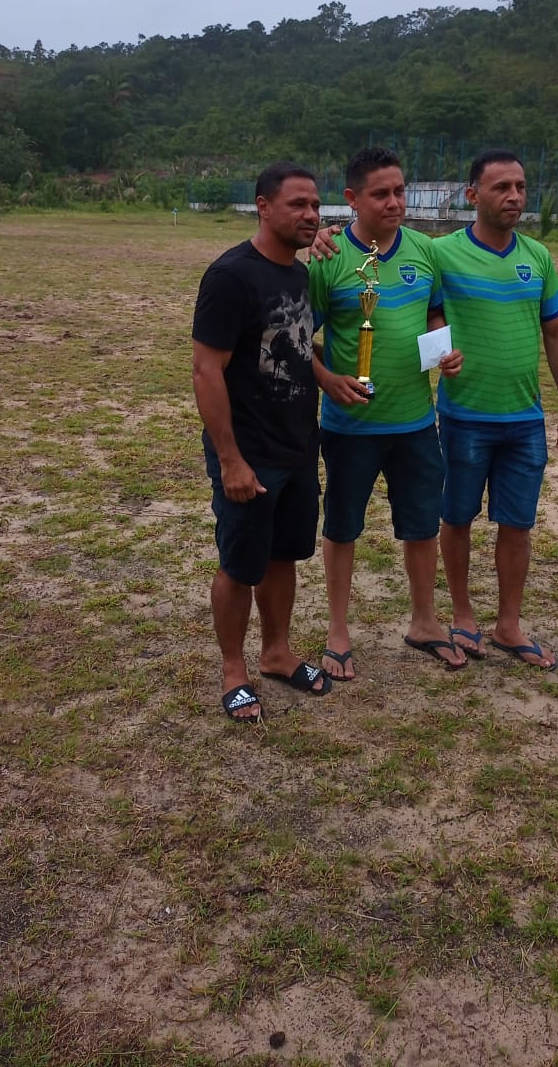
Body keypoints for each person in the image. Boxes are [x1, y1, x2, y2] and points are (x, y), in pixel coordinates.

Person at [308, 147, 465, 680]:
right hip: (350, 426)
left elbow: (436, 311)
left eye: (400, 191)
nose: (395, 202)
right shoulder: (327, 260)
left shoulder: (425, 251)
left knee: (421, 526)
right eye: (381, 194)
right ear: (352, 199)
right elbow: (298, 337)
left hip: (418, 422)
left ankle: (424, 622)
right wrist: (328, 379)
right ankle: (337, 630)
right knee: (343, 527)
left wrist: (446, 352)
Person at [192, 161, 331, 722]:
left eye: (316, 205)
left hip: (298, 445)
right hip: (248, 453)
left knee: (283, 555)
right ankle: (234, 669)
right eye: (298, 204)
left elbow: (295, 346)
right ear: (263, 206)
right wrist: (230, 460)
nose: (311, 214)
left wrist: (328, 379)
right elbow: (206, 370)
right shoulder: (231, 277)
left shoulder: (298, 275)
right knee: (239, 562)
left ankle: (276, 652)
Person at [433, 150, 558, 669]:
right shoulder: (441, 254)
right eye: (500, 187)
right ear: (473, 195)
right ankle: (463, 613)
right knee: (457, 516)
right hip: (464, 414)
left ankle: (509, 624)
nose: (514, 196)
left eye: (520, 186)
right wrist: (327, 236)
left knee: (518, 523)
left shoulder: (537, 257)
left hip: (523, 419)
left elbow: (556, 331)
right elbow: (387, 253)